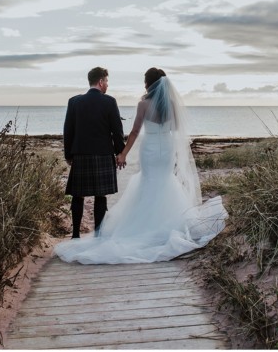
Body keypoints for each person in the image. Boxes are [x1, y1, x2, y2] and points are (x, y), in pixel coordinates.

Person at [55, 68, 228, 264]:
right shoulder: (168, 104)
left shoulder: (139, 104)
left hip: (139, 148)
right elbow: (172, 129)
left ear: (148, 83)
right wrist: (120, 151)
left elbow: (133, 131)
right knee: (161, 182)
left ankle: (84, 234)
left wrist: (121, 153)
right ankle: (113, 231)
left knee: (140, 183)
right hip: (165, 148)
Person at [63, 67, 126, 239]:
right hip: (103, 154)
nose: (107, 85)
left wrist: (68, 154)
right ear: (100, 82)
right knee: (100, 195)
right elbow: (117, 131)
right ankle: (98, 234)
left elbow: (68, 131)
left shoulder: (74, 102)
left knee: (78, 195)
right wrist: (120, 152)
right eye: (106, 81)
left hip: (80, 154)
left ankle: (75, 234)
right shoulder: (110, 102)